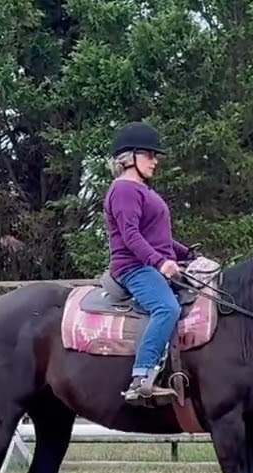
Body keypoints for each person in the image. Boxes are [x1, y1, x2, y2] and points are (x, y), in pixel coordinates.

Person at [104, 121, 192, 402]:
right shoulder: (124, 190)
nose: (155, 161)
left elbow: (158, 237)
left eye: (155, 156)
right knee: (166, 308)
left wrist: (188, 254)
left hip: (148, 263)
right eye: (149, 155)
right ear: (129, 158)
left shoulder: (143, 190)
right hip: (133, 267)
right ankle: (140, 378)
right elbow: (131, 236)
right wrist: (159, 262)